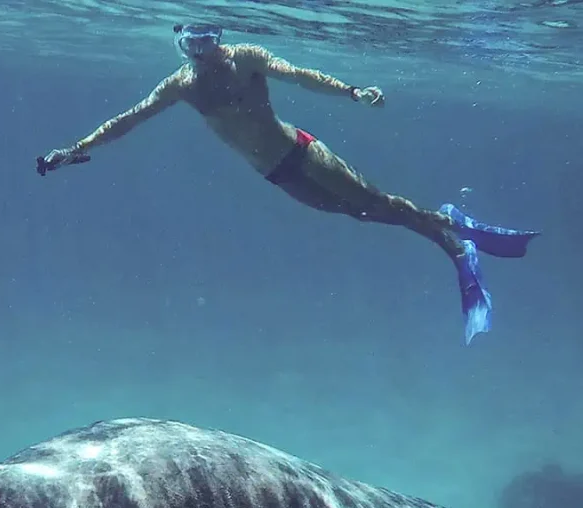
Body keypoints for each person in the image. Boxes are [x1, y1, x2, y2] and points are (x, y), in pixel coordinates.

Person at [37, 23, 540, 345]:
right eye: (191, 42)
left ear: (219, 38)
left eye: (208, 39)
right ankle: (448, 222)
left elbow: (298, 74)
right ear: (180, 45)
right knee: (360, 212)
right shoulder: (182, 85)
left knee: (374, 201)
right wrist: (76, 148)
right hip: (274, 172)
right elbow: (131, 118)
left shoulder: (246, 58)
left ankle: (452, 240)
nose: (202, 50)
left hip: (300, 150)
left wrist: (352, 92)